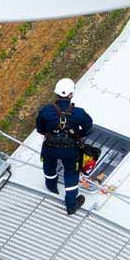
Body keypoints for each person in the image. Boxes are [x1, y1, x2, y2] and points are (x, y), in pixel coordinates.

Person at [35, 78, 93, 215]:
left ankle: (51, 188)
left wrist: (49, 133)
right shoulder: (79, 113)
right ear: (71, 95)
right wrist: (78, 135)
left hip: (50, 148)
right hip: (71, 151)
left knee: (49, 167)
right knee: (71, 173)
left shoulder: (46, 110)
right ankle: (71, 205)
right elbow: (88, 127)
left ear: (56, 94)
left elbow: (39, 128)